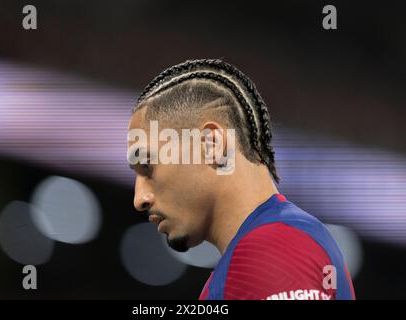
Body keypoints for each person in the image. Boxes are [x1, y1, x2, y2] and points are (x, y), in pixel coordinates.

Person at [127, 59, 355, 300]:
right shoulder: (268, 248)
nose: (139, 199)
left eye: (147, 166)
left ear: (211, 145)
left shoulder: (273, 249)